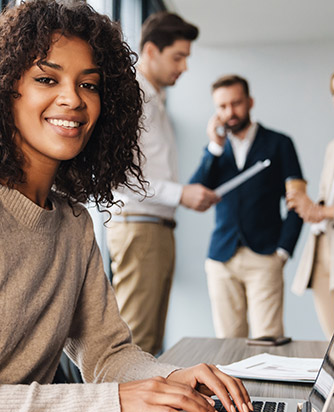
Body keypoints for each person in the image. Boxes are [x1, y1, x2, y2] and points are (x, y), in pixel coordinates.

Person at [0, 2, 252, 412]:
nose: (73, 99)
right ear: (3, 90)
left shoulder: (73, 223)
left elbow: (107, 355)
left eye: (89, 84)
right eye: (47, 79)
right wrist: (113, 402)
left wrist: (170, 380)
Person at [107, 11, 218, 356]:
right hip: (141, 227)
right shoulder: (134, 97)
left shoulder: (155, 99)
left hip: (155, 227)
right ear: (151, 52)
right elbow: (120, 176)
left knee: (149, 344)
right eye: (178, 57)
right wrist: (180, 193)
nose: (184, 67)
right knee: (136, 344)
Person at [190, 74, 303, 339]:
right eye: (222, 106)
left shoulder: (279, 143)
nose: (230, 112)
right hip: (221, 257)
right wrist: (214, 148)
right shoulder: (216, 150)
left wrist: (283, 251)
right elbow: (195, 193)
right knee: (228, 343)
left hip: (265, 255)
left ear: (250, 102)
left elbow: (298, 201)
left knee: (268, 339)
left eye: (236, 103)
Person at [288, 65, 334, 338]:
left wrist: (321, 210)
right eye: (333, 92)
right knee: (333, 341)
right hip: (319, 253)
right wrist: (307, 206)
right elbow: (326, 200)